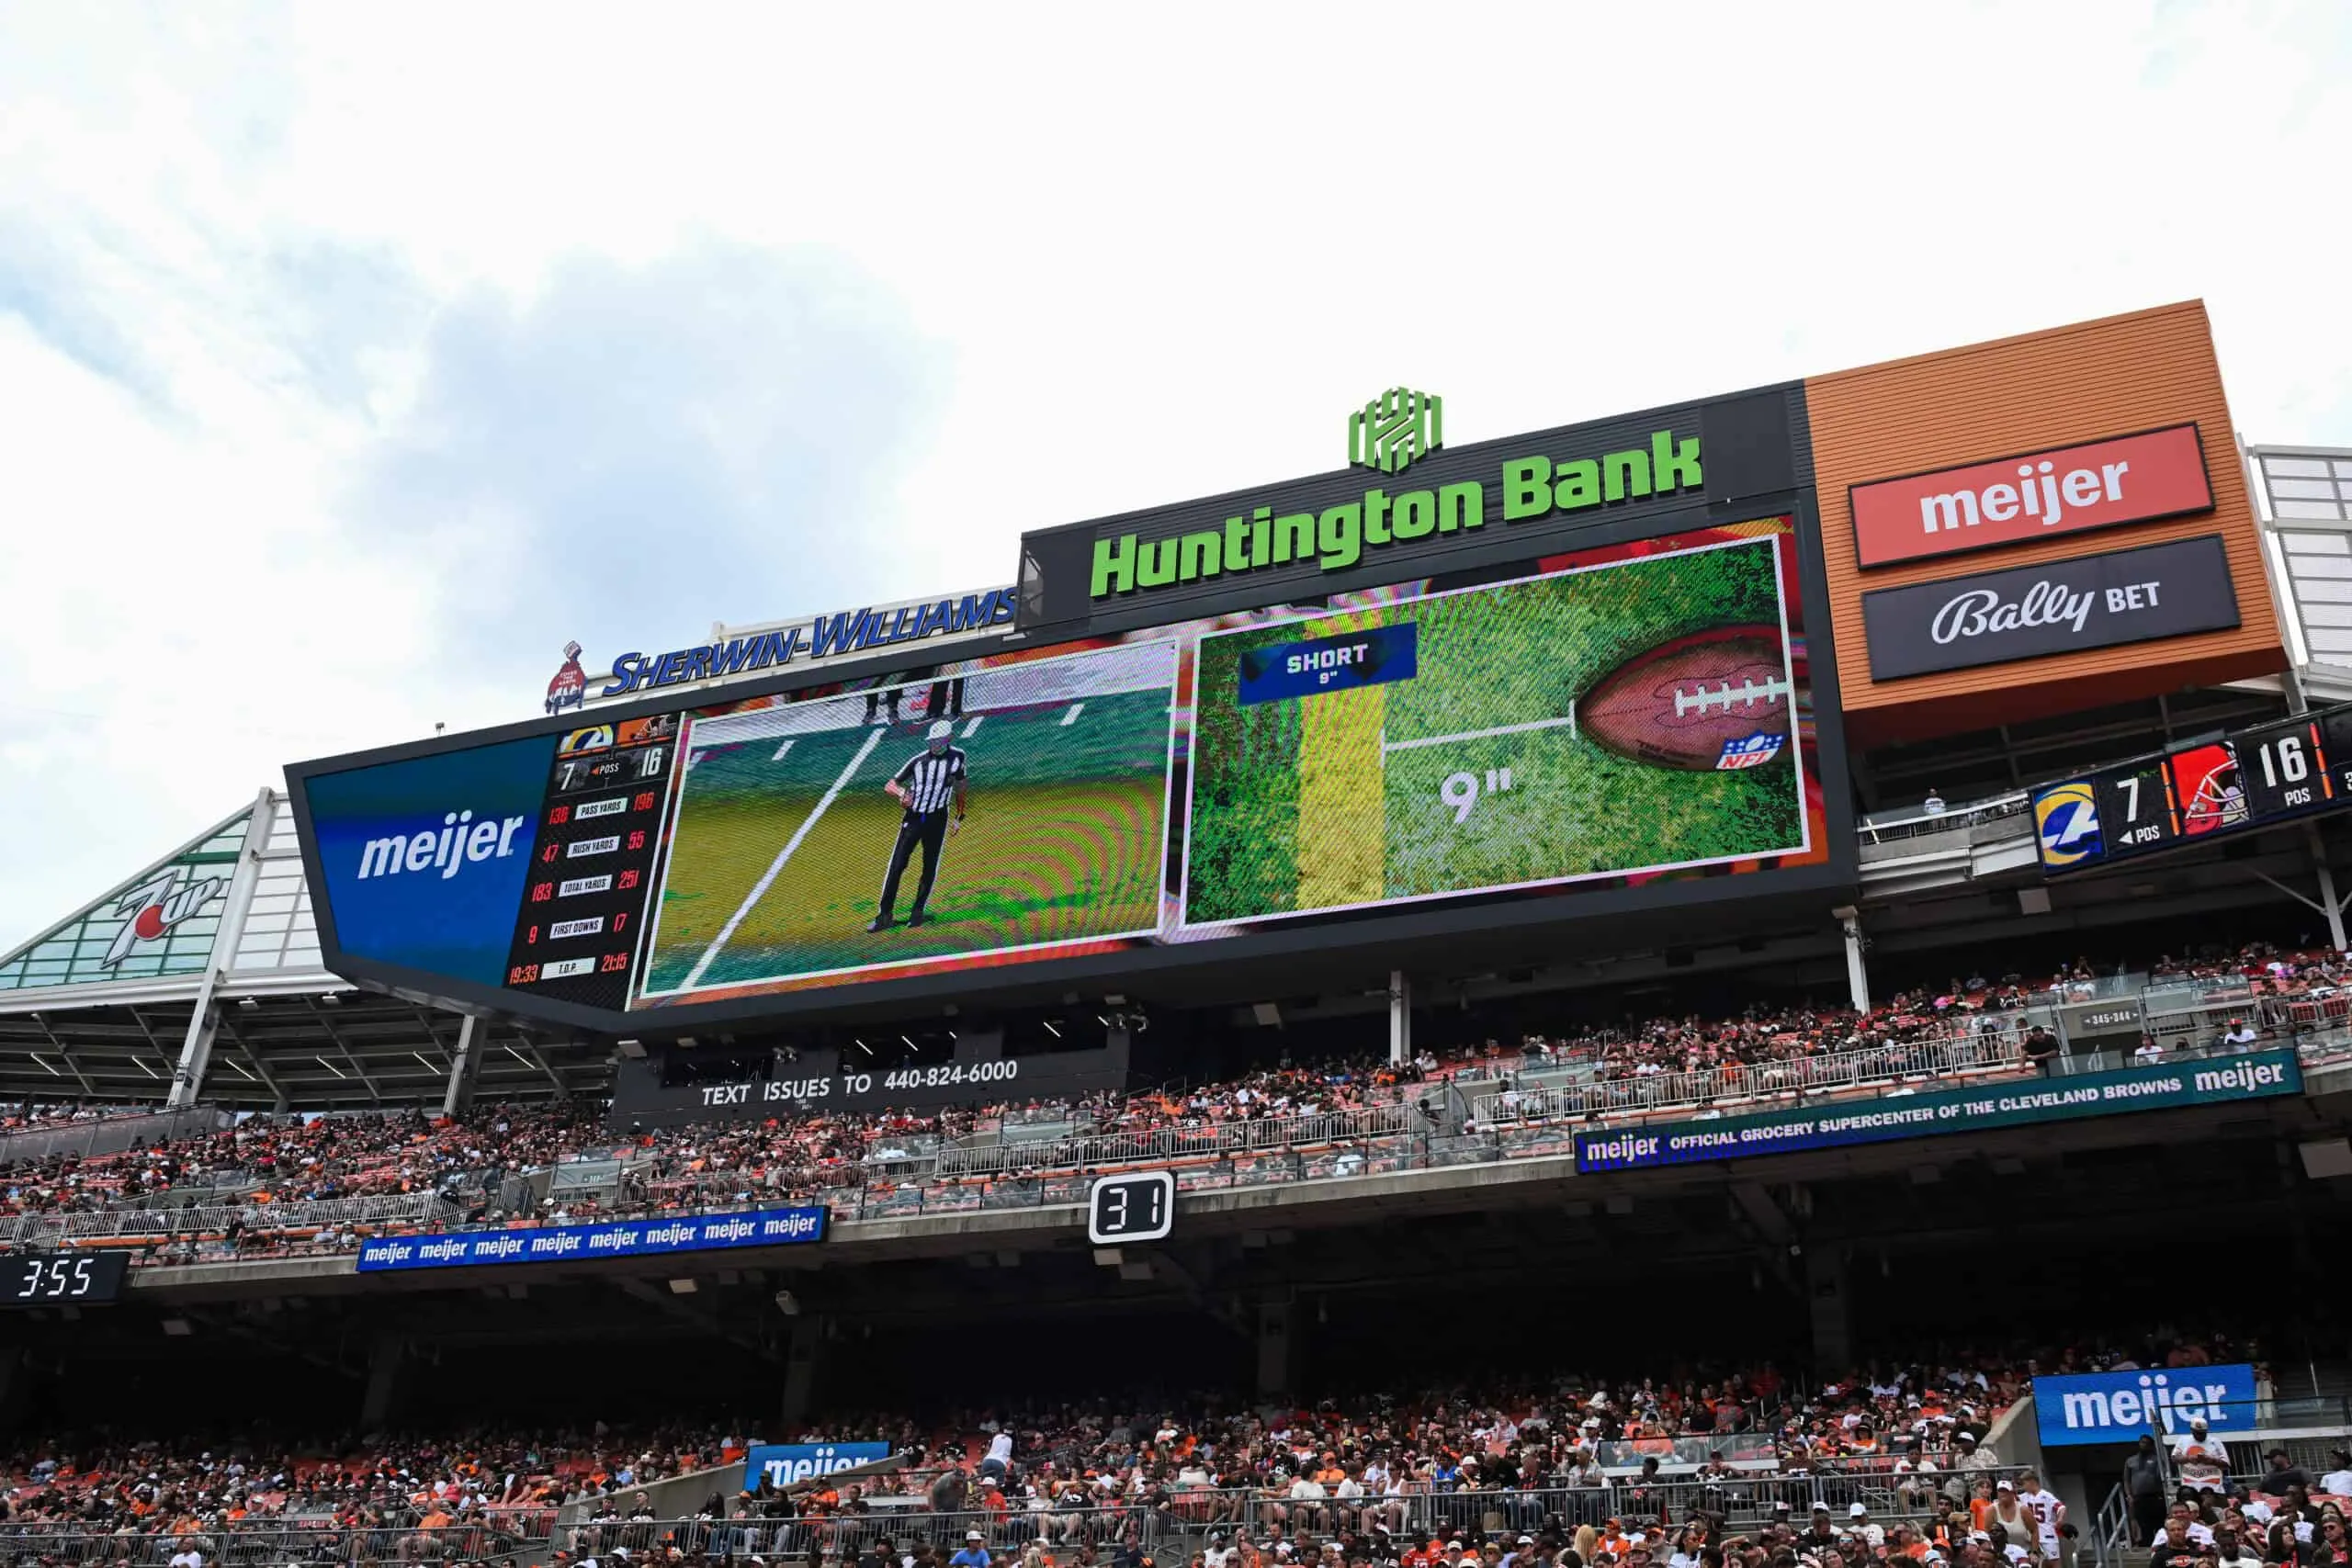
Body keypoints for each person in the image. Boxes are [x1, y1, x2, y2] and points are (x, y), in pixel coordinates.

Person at [869, 721, 969, 931]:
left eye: (938, 741)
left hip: (938, 819)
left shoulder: (958, 757)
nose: (935, 744)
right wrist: (902, 793)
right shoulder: (918, 762)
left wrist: (959, 816)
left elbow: (961, 786)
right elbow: (890, 784)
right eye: (932, 741)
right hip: (915, 819)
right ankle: (884, 915)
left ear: (948, 739)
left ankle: (917, 912)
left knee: (929, 866)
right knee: (896, 866)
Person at [2129, 1436, 2171, 1547]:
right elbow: (2126, 1479)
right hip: (2139, 1497)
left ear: (2151, 1446)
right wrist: (2129, 1495)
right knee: (2143, 1523)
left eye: (2146, 1443)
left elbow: (2162, 1477)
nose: (2143, 1445)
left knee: (2158, 1523)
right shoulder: (2131, 1460)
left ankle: (2160, 1545)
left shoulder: (2157, 1459)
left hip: (2155, 1496)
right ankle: (2146, 1545)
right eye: (2142, 1442)